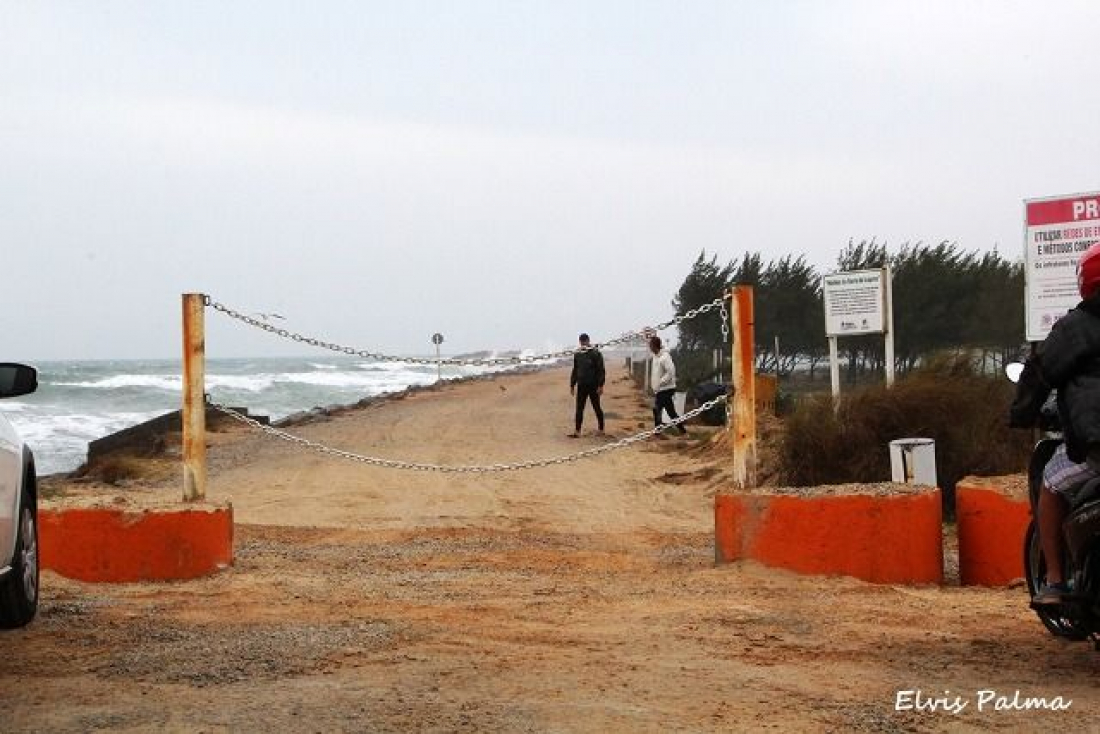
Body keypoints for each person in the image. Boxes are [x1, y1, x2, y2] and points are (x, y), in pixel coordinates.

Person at [1010, 241, 1100, 606]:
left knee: (1050, 482)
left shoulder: (1077, 327)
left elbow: (1040, 373)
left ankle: (1056, 581)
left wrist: (1021, 413)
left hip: (1095, 449)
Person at [648, 335, 687, 435]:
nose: (649, 348)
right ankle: (683, 431)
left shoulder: (665, 357)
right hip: (660, 389)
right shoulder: (655, 357)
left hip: (666, 389)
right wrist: (655, 385)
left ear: (654, 346)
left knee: (657, 409)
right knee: (671, 412)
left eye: (650, 345)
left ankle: (658, 433)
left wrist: (661, 382)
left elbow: (671, 372)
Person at [569, 333, 605, 437]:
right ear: (580, 342)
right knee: (579, 408)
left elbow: (601, 370)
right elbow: (575, 370)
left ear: (588, 341)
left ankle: (601, 429)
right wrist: (572, 385)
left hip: (593, 385)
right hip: (581, 385)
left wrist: (601, 385)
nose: (583, 343)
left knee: (596, 407)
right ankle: (577, 431)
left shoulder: (595, 353)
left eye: (584, 341)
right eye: (581, 342)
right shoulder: (578, 354)